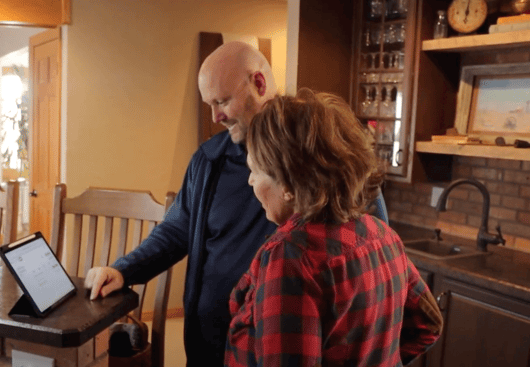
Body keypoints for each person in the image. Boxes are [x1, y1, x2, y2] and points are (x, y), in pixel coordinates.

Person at [84, 42, 389, 366]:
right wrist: (123, 269)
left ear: (259, 84)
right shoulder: (208, 159)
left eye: (222, 101)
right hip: (211, 349)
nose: (216, 116)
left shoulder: (329, 155)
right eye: (210, 104)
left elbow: (375, 253)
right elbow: (176, 229)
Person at [225, 90, 442, 366]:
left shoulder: (291, 258)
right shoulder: (382, 234)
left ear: (290, 184)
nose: (250, 182)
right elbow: (429, 324)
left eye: (255, 171)